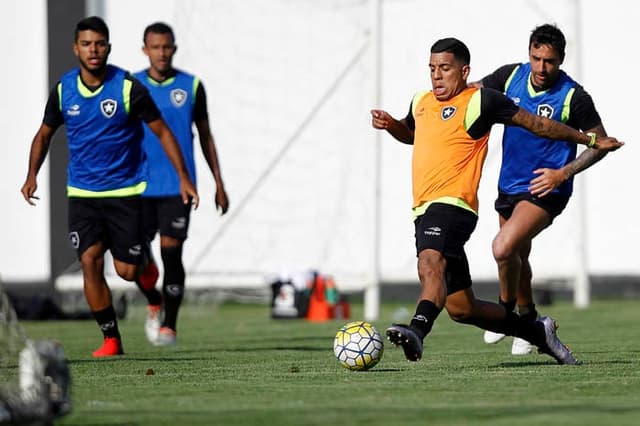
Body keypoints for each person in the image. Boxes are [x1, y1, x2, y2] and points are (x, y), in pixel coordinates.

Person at [370, 37, 622, 365]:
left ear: (464, 71)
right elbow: (413, 133)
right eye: (432, 69)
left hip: (453, 204)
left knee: (430, 262)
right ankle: (536, 331)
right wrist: (392, 126)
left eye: (444, 68)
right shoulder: (421, 101)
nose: (436, 76)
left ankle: (418, 329)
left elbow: (540, 125)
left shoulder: (482, 101)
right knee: (462, 309)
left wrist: (588, 139)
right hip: (423, 206)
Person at [20, 16, 199, 357]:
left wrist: (184, 178)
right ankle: (111, 339)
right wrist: (32, 175)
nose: (93, 50)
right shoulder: (64, 89)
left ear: (109, 48)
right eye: (86, 44)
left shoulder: (128, 87)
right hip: (83, 193)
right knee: (89, 260)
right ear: (76, 48)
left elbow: (162, 131)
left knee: (127, 270)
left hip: (125, 192)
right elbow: (44, 135)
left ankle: (148, 273)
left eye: (99, 43)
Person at [470, 24, 610, 355]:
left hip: (547, 189)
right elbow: (475, 93)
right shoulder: (509, 77)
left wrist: (563, 173)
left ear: (560, 59)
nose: (541, 68)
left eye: (549, 61)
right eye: (536, 58)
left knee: (503, 248)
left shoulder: (574, 96)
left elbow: (600, 143)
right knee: (518, 256)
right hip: (509, 185)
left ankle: (505, 316)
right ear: (529, 52)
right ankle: (530, 320)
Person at [133, 22, 229, 346]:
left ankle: (169, 326)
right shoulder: (130, 85)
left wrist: (218, 182)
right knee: (134, 260)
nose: (162, 53)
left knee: (171, 254)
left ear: (174, 48)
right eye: (155, 47)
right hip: (137, 186)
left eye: (167, 47)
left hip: (178, 186)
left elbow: (205, 136)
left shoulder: (191, 86)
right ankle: (153, 300)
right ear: (145, 49)